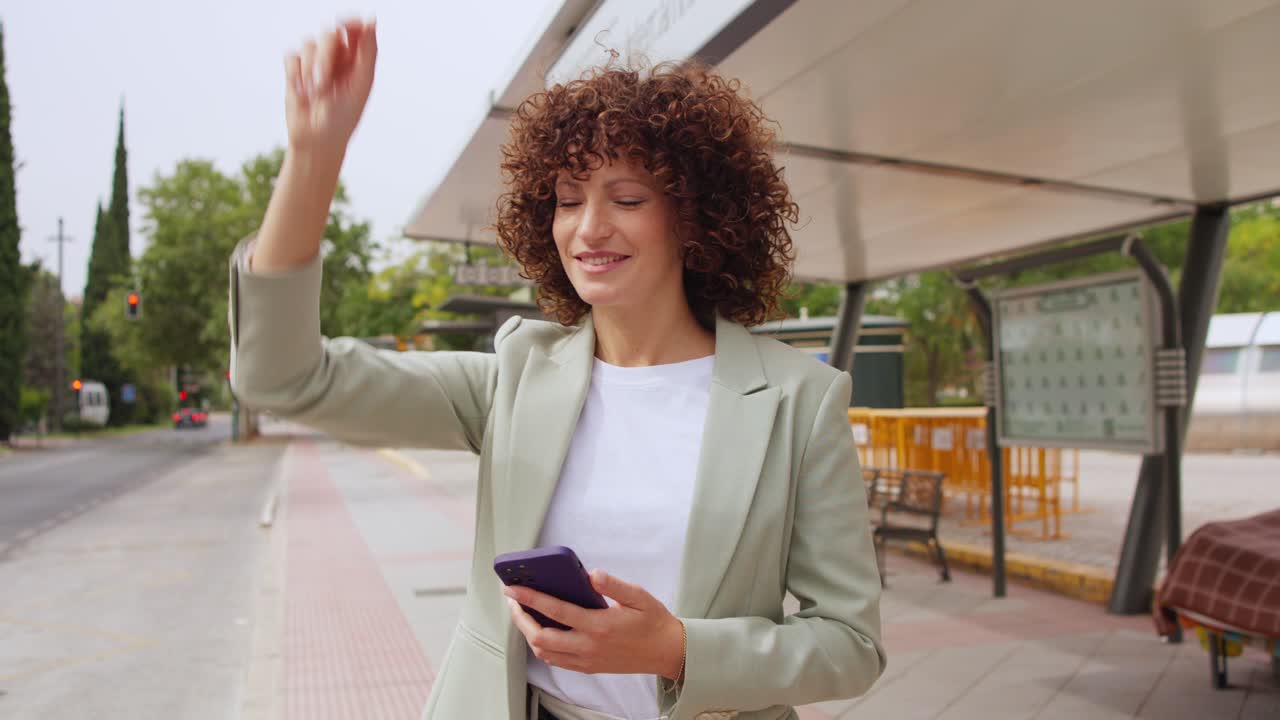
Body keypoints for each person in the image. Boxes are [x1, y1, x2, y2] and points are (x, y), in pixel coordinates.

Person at [229, 19, 885, 720]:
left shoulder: (798, 400)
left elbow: (850, 645)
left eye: (627, 199)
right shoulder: (516, 378)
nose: (588, 228)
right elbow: (283, 377)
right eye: (569, 200)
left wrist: (676, 650)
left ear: (696, 220)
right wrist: (315, 155)